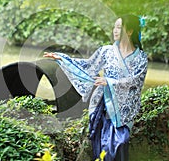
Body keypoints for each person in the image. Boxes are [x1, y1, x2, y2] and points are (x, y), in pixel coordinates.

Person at [43, 14, 148, 160]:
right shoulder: (106, 51)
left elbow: (136, 82)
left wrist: (109, 82)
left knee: (121, 142)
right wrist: (63, 59)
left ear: (129, 31)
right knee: (101, 144)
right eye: (114, 27)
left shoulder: (141, 58)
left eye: (119, 27)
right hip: (103, 104)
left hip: (123, 109)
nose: (115, 31)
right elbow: (87, 66)